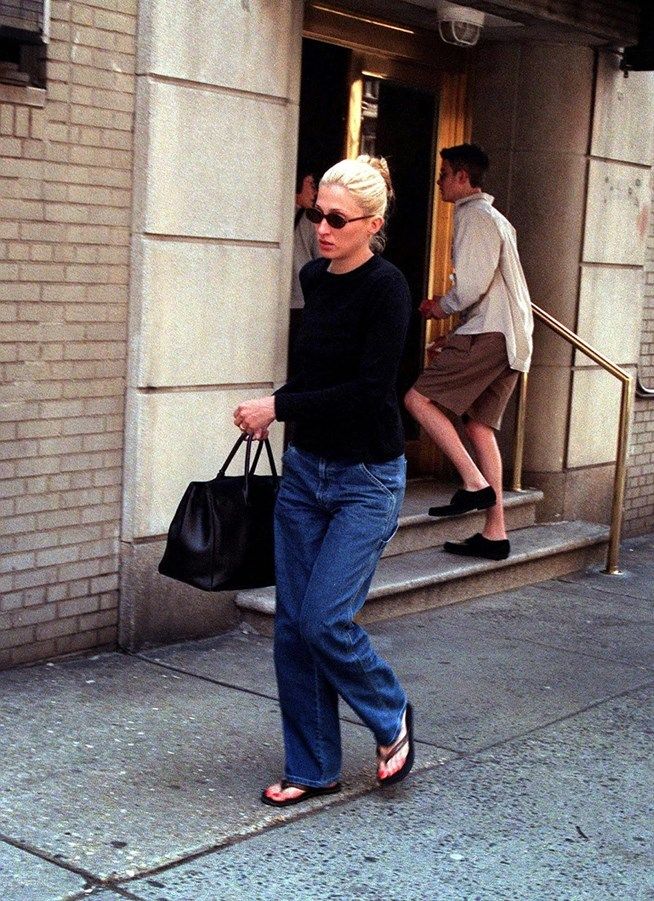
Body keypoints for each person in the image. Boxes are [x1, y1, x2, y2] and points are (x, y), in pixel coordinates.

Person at [234, 155, 415, 808]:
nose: (323, 227)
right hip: (305, 473)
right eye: (317, 214)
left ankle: (390, 711)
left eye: (337, 218)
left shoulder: (387, 288)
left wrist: (279, 408)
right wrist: (276, 403)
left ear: (372, 223)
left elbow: (371, 391)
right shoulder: (317, 276)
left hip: (365, 477)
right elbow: (316, 376)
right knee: (292, 626)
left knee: (325, 617)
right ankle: (312, 764)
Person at [404, 143, 533, 561]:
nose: (439, 181)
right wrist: (456, 332)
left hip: (491, 333)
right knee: (480, 427)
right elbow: (490, 289)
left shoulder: (475, 217)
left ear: (462, 177)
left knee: (417, 399)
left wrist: (439, 308)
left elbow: (473, 286)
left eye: (444, 175)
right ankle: (495, 533)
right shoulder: (496, 219)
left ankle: (474, 484)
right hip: (508, 335)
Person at [289, 170, 321, 377]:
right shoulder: (310, 221)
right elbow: (322, 260)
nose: (314, 192)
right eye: (310, 184)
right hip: (301, 301)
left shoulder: (275, 214)